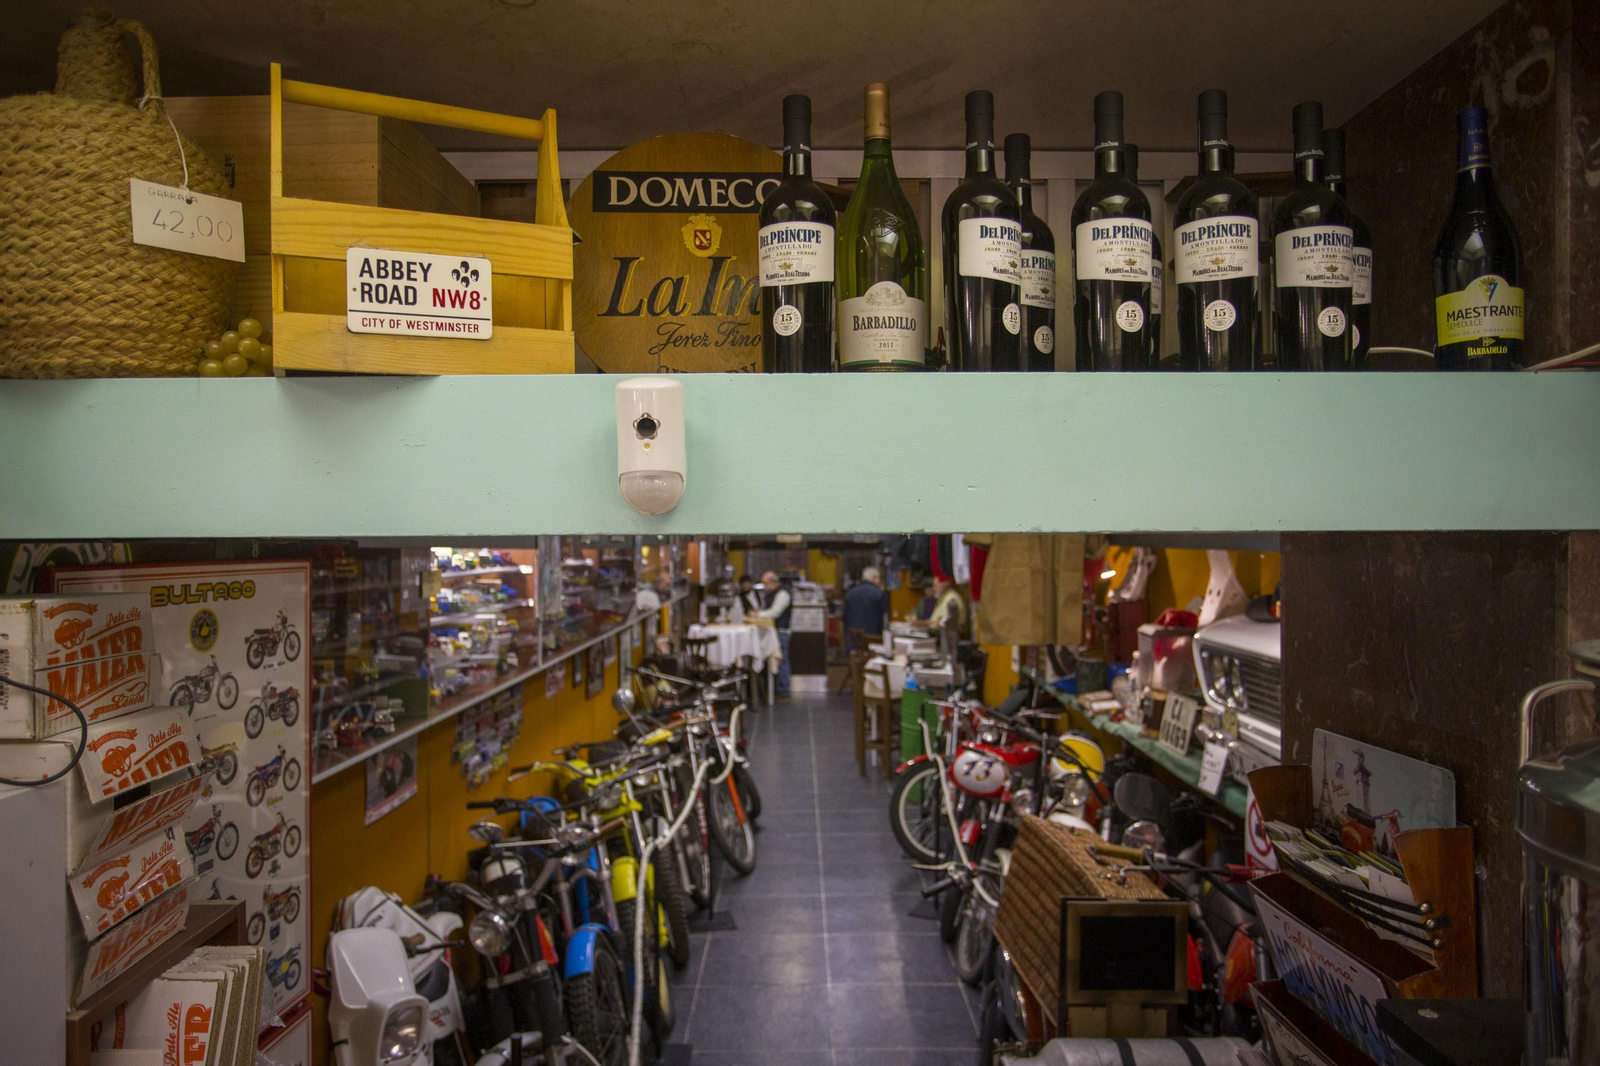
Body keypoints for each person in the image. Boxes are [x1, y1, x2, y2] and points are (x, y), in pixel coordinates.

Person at [755, 570, 793, 697]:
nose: (765, 587)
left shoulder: (783, 593)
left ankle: (784, 689)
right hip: (775, 629)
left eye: (766, 583)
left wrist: (758, 614)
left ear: (773, 581)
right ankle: (778, 688)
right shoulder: (775, 593)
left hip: (781, 630)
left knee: (781, 659)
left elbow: (775, 612)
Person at [842, 566, 889, 648]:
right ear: (874, 578)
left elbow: (844, 617)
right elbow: (884, 618)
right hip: (873, 642)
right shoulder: (879, 594)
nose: (879, 581)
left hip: (853, 641)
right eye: (878, 578)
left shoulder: (850, 593)